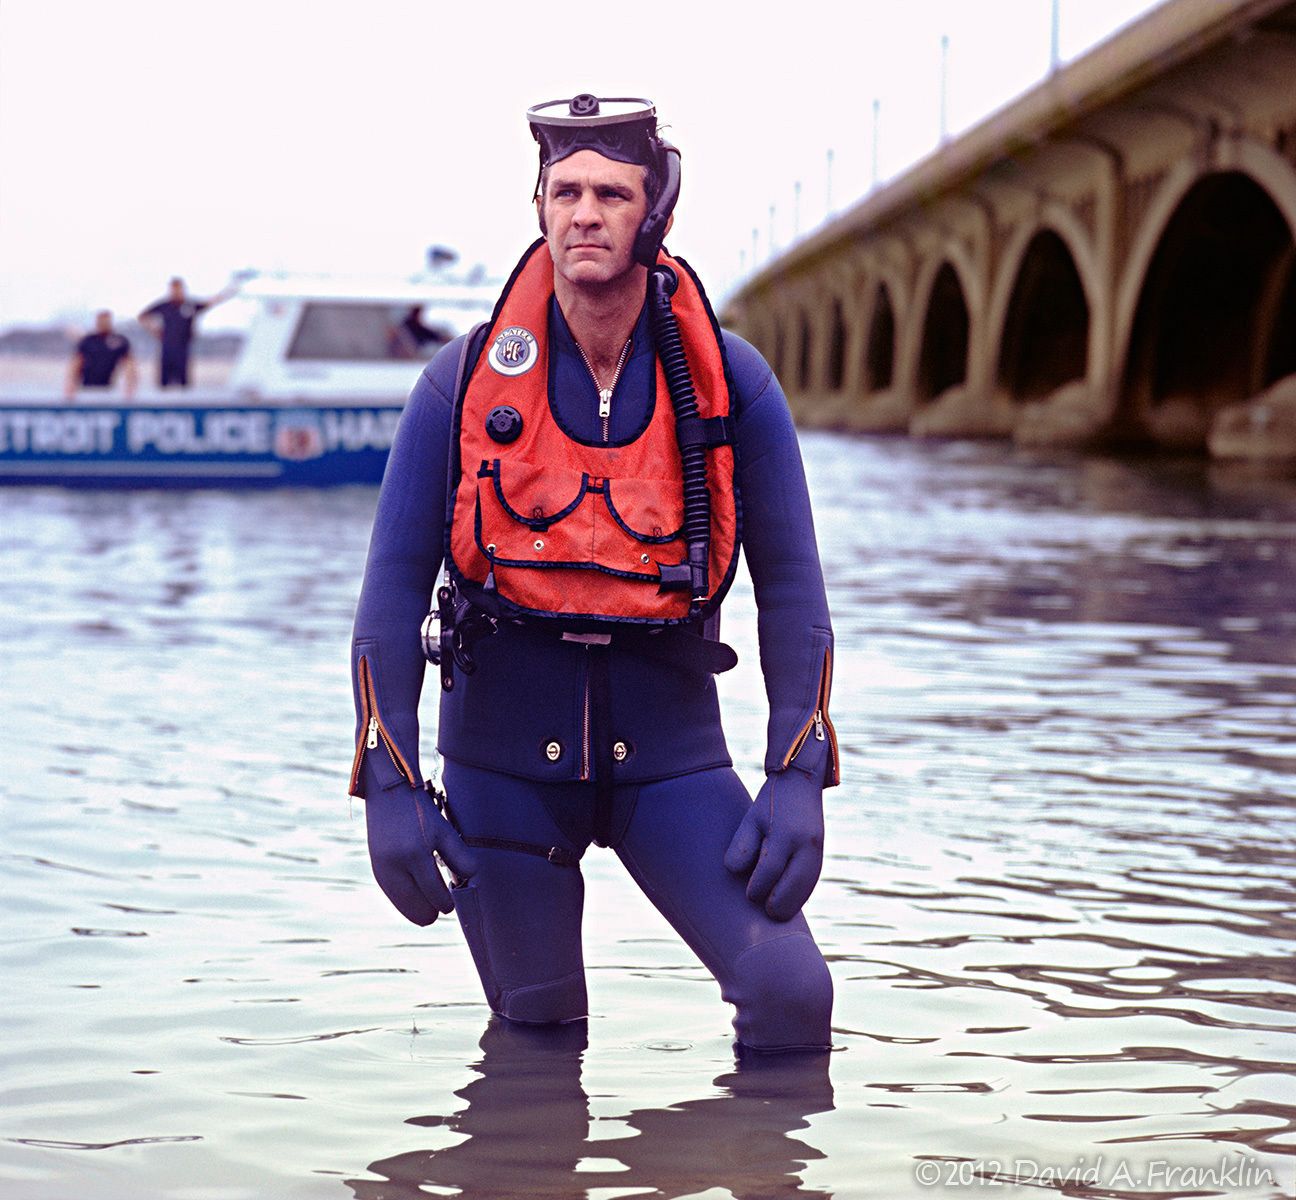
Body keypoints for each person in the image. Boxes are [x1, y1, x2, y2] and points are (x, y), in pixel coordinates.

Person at [349, 94, 839, 1054]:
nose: (584, 213)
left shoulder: (734, 385)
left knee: (791, 1001)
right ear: (537, 207)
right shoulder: (457, 383)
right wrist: (390, 779)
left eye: (611, 193)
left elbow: (792, 590)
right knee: (535, 1054)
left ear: (654, 212)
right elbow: (390, 593)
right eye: (564, 190)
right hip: (500, 772)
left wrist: (798, 769)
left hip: (673, 767)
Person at [138, 276, 234, 388]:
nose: (175, 292)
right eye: (173, 289)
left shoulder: (190, 305)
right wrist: (154, 330)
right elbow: (142, 316)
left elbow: (211, 302)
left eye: (178, 289)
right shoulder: (164, 305)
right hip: (167, 347)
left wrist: (230, 290)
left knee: (184, 383)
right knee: (163, 383)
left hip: (183, 347)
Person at [65, 310, 137, 398]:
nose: (103, 323)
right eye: (100, 320)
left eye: (106, 320)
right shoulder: (88, 341)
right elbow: (76, 364)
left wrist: (130, 386)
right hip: (86, 387)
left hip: (108, 388)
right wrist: (70, 385)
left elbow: (129, 365)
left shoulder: (119, 341)